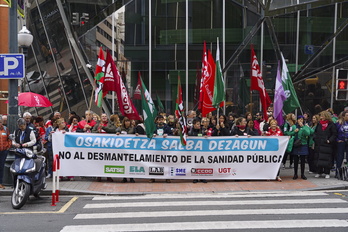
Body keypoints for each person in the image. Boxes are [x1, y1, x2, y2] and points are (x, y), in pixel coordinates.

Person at [314, 111, 337, 179]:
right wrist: (315, 138)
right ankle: (319, 172)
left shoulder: (331, 124)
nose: (321, 117)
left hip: (327, 144)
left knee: (327, 159)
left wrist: (329, 140)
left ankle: (327, 172)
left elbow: (334, 134)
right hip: (319, 144)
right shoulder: (319, 124)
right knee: (318, 157)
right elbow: (315, 132)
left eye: (322, 116)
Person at [291, 115, 311, 180]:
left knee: (302, 160)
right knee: (296, 160)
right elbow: (289, 133)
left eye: (302, 119)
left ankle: (302, 174)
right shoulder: (294, 126)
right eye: (299, 119)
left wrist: (303, 126)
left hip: (303, 144)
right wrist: (294, 131)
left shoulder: (305, 126)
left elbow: (308, 133)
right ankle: (295, 174)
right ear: (297, 120)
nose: (300, 120)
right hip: (296, 144)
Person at [335, 110, 348, 178]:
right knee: (340, 157)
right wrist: (337, 140)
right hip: (341, 142)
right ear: (343, 116)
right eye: (347, 115)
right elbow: (335, 133)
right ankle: (337, 172)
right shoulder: (339, 124)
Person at [0, 117, 11, 189]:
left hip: (3, 151)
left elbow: (9, 139)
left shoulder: (6, 129)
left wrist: (8, 146)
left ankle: (0, 183)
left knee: (1, 167)